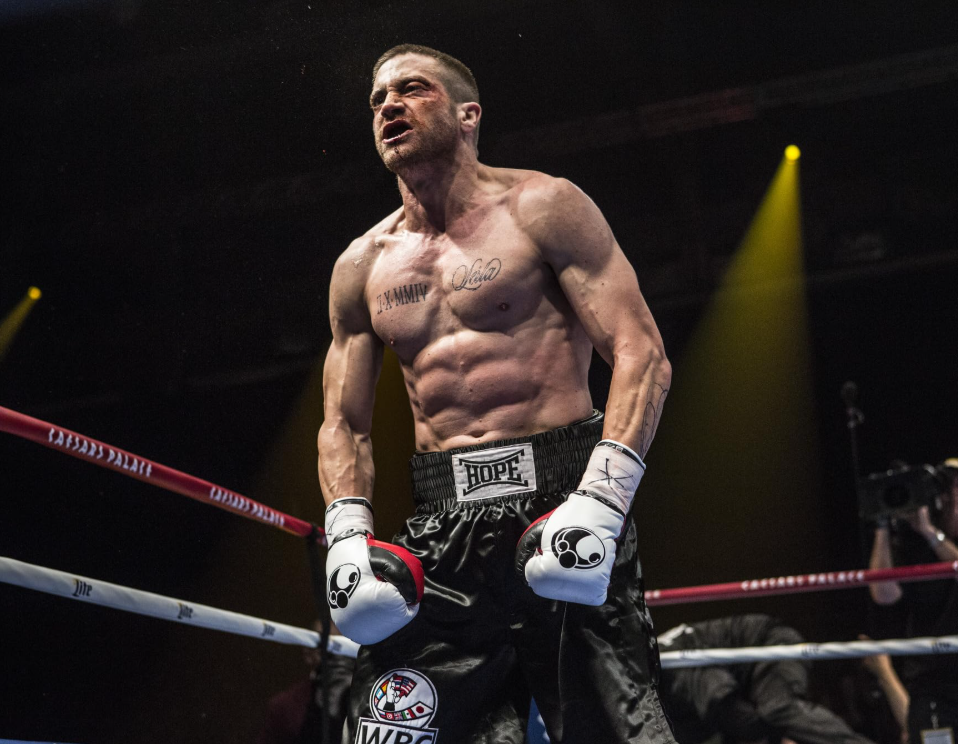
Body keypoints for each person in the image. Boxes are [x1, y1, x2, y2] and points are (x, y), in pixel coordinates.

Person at [316, 44, 674, 744]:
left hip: (562, 494)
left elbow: (642, 353)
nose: (388, 106)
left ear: (467, 114)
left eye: (411, 89)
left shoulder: (544, 205)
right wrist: (348, 536)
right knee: (396, 732)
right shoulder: (361, 264)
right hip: (441, 524)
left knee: (615, 730)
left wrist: (603, 499)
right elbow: (343, 423)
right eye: (378, 99)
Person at [657, 614, 875, 744]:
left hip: (768, 644)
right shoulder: (656, 674)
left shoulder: (672, 671)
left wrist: (777, 737)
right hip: (742, 684)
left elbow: (728, 705)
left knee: (779, 708)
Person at [868, 459, 958, 742]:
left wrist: (932, 534)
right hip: (931, 683)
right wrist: (882, 525)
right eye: (946, 489)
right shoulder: (912, 545)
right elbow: (883, 595)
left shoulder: (936, 541)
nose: (949, 497)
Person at [257, 622, 356, 744]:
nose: (338, 659)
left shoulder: (368, 697)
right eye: (327, 650)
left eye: (343, 650)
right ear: (308, 654)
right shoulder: (286, 706)